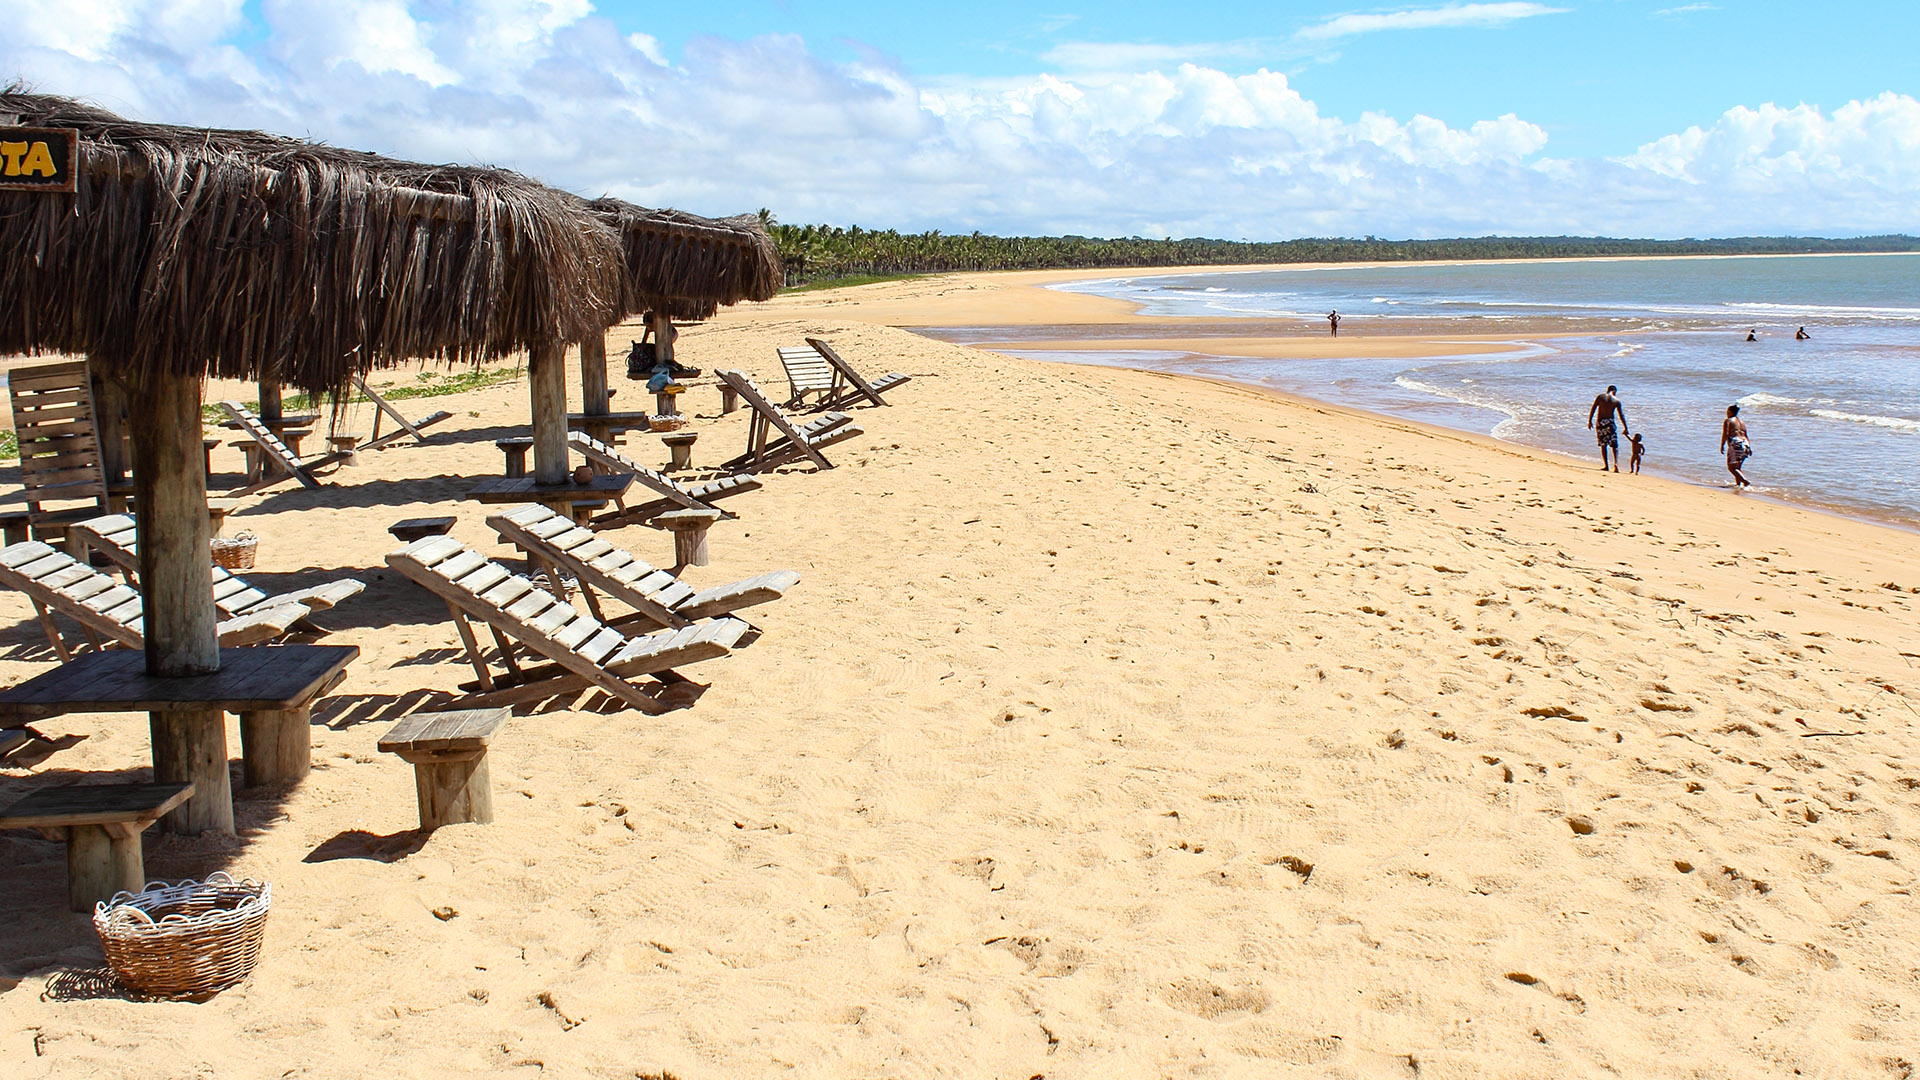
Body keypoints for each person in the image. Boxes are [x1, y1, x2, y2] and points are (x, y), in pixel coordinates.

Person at [1587, 385, 1630, 472]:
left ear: (1607, 390)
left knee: (1603, 444)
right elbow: (1621, 415)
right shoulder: (1617, 400)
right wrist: (1626, 427)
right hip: (1610, 422)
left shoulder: (1600, 397)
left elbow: (1593, 408)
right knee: (1614, 445)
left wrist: (1590, 420)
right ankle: (1616, 464)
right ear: (1614, 391)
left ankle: (1606, 465)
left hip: (1601, 422)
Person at [1720, 404, 1752, 488]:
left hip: (1736, 442)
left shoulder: (1728, 420)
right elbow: (1746, 435)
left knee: (1731, 467)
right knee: (1738, 466)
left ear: (1730, 412)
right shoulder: (1742, 422)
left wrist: (1722, 445)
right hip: (1745, 443)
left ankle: (1745, 481)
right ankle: (1738, 484)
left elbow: (1725, 434)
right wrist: (1749, 448)